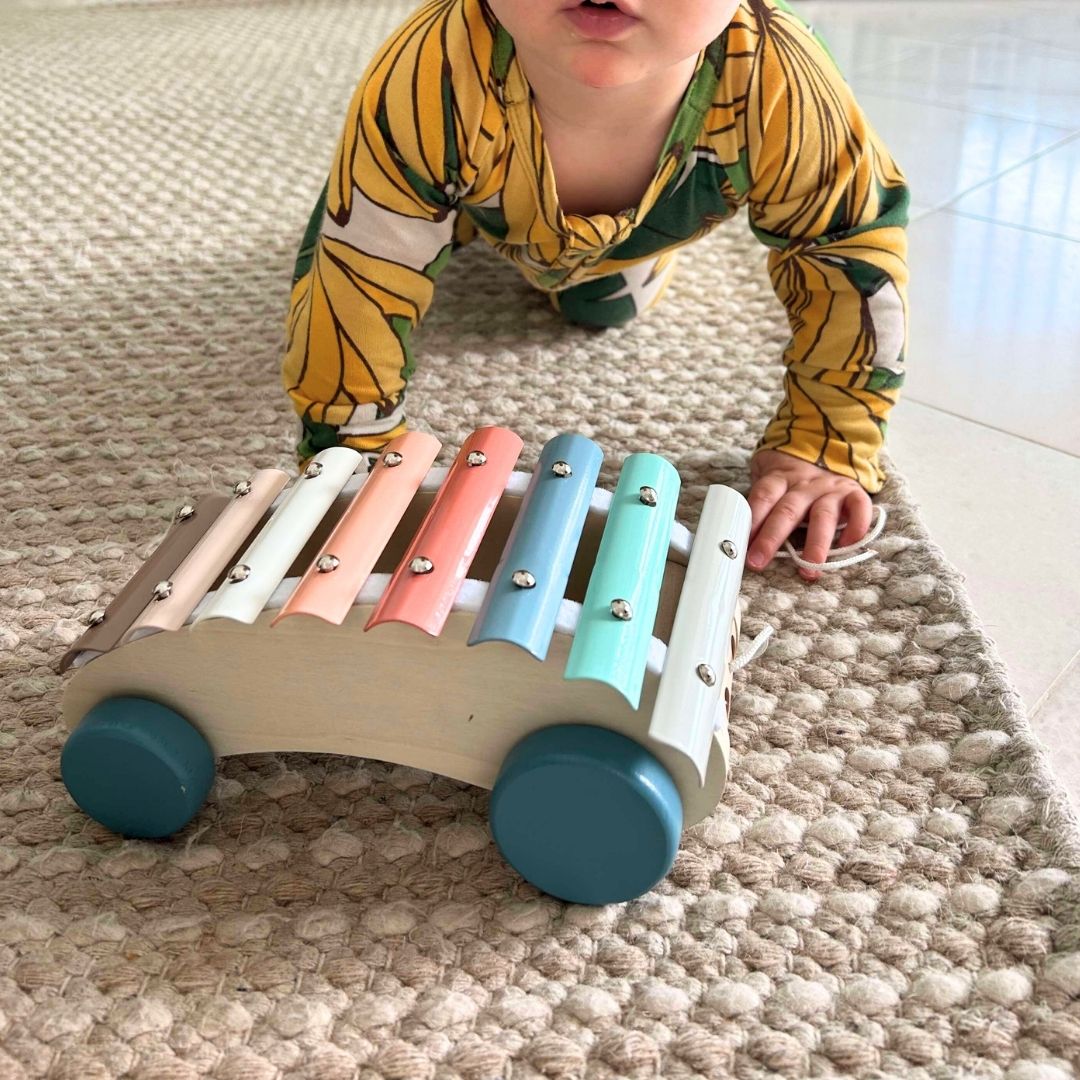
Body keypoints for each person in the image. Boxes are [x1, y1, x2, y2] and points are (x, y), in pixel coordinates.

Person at [281, 0, 909, 581]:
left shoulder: (784, 80)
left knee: (601, 308)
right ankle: (432, 212)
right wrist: (353, 450)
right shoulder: (430, 67)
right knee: (361, 239)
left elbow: (847, 250)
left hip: (649, 221)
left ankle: (606, 247)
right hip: (464, 184)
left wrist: (824, 442)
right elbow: (359, 277)